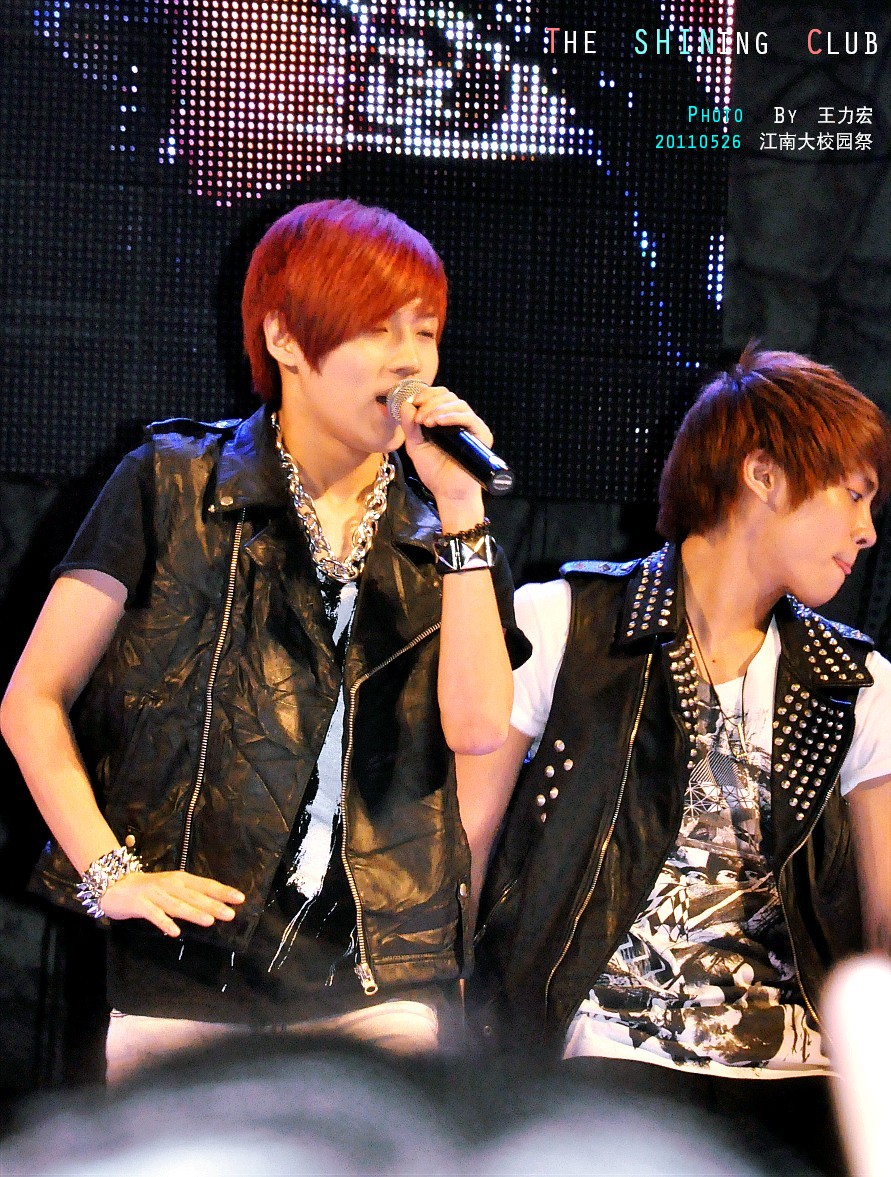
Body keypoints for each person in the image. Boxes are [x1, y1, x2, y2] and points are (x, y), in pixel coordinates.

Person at [0, 198, 522, 1080]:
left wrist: (463, 512)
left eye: (425, 331)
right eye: (376, 327)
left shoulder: (446, 534)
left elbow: (477, 731)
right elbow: (32, 700)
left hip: (378, 985)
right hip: (187, 976)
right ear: (284, 336)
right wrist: (109, 872)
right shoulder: (171, 483)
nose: (409, 359)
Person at [460, 344, 891, 1173]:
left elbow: (882, 924)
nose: (867, 530)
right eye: (853, 493)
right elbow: (462, 852)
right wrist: (455, 1034)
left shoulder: (859, 682)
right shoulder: (562, 623)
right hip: (599, 1057)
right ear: (763, 474)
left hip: (798, 1081)